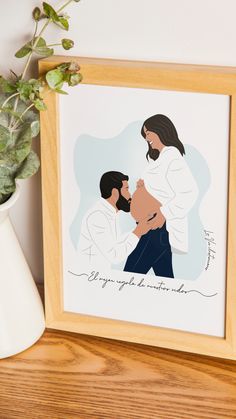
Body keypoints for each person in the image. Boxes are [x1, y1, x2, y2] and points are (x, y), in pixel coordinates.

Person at [124, 114, 199, 277]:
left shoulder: (172, 158)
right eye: (145, 134)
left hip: (156, 229)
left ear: (161, 131)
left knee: (129, 276)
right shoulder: (162, 158)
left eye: (149, 132)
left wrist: (163, 214)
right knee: (165, 278)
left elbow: (189, 192)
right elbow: (162, 190)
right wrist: (143, 189)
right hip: (154, 228)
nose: (146, 138)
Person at [77, 171, 154, 269]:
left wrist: (141, 228)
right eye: (126, 189)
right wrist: (138, 232)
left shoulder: (110, 213)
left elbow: (116, 243)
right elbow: (114, 256)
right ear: (115, 192)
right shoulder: (97, 216)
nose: (130, 196)